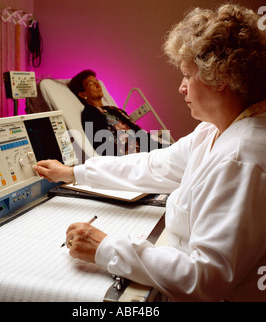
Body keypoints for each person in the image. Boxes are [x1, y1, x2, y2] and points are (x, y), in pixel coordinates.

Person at [33, 3, 266, 301]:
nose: (181, 88)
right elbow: (152, 165)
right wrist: (73, 172)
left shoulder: (242, 156)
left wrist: (105, 247)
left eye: (186, 75)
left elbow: (205, 279)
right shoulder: (214, 131)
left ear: (220, 77)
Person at [68, 69, 168, 156]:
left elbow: (138, 132)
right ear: (82, 94)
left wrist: (162, 146)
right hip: (133, 157)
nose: (97, 84)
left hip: (147, 149)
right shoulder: (90, 114)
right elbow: (103, 147)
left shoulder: (115, 109)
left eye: (96, 81)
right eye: (91, 83)